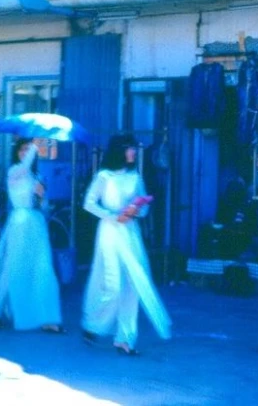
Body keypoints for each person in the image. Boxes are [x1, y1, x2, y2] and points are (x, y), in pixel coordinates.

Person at [81, 133, 171, 356]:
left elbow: (145, 204)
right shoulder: (104, 176)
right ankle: (93, 325)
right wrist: (112, 215)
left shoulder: (134, 176)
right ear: (119, 151)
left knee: (132, 285)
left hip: (130, 233)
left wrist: (136, 210)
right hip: (110, 233)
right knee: (113, 284)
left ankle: (125, 339)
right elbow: (89, 203)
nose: (133, 152)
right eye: (129, 148)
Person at [0, 138, 64, 333]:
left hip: (36, 222)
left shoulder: (36, 176)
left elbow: (42, 206)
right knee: (12, 267)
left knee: (42, 267)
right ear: (17, 153)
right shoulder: (15, 171)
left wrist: (41, 196)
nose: (25, 152)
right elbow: (25, 166)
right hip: (19, 221)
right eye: (22, 150)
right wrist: (35, 146)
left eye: (28, 149)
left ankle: (47, 318)